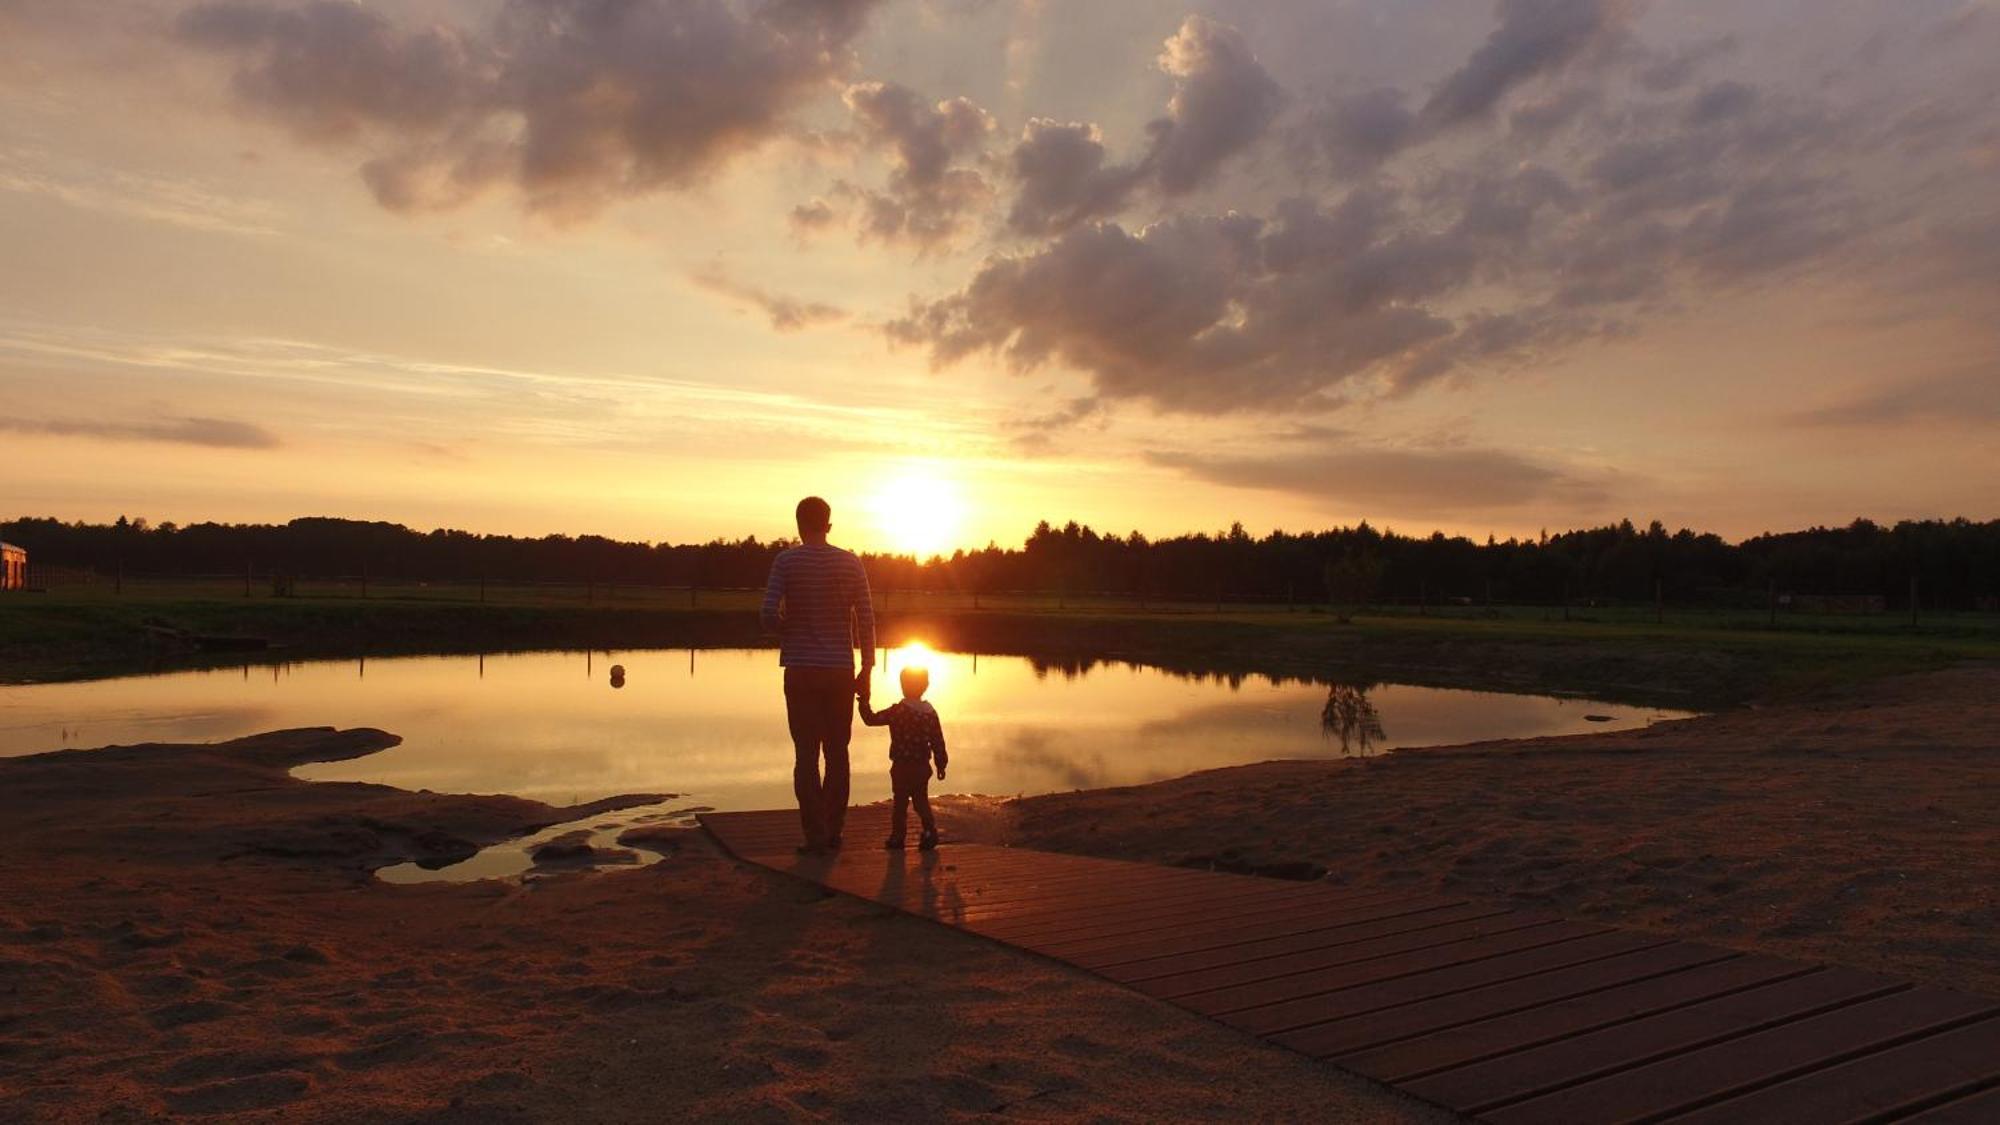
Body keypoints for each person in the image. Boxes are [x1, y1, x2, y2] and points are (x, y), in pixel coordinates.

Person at [760, 496, 875, 854]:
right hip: (840, 669)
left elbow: (766, 613)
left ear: (798, 524)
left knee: (806, 754)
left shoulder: (786, 561)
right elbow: (867, 620)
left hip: (800, 669)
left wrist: (785, 629)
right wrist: (867, 667)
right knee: (838, 752)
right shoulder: (850, 562)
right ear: (828, 524)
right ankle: (834, 829)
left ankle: (814, 835)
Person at [859, 665, 948, 851]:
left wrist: (863, 702)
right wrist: (941, 764)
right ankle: (930, 831)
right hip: (922, 766)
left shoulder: (898, 711)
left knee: (900, 802)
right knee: (921, 801)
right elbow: (938, 741)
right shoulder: (930, 714)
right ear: (927, 685)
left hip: (902, 766)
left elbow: (870, 719)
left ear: (902, 686)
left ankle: (898, 837)